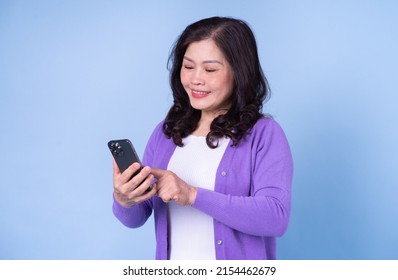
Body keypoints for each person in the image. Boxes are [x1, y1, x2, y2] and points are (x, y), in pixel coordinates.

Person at [112, 16, 293, 260]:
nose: (196, 79)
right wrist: (124, 198)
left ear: (240, 73)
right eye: (188, 67)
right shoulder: (166, 132)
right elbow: (136, 218)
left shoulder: (264, 134)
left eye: (210, 69)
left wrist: (192, 194)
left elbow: (275, 217)